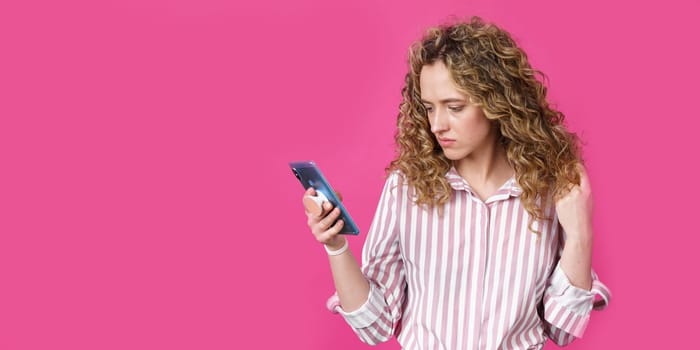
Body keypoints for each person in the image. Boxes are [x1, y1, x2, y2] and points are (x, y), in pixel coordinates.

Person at [302, 16, 610, 350]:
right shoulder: (406, 188)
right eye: (430, 108)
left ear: (497, 102)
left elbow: (563, 330)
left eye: (454, 107)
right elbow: (375, 327)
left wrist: (580, 234)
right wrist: (336, 246)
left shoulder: (549, 191)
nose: (437, 125)